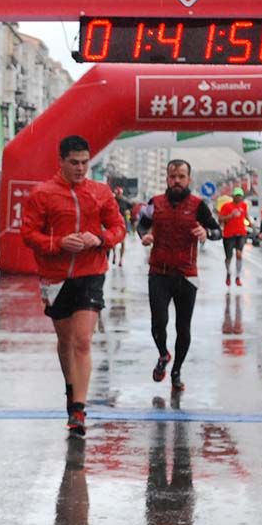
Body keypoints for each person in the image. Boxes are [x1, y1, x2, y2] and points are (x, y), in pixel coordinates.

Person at [20, 135, 126, 436]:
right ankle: (71, 390)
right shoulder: (42, 194)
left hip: (91, 272)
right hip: (56, 277)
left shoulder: (100, 192)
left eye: (85, 163)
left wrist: (101, 239)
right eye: (74, 163)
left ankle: (78, 409)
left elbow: (119, 227)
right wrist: (58, 243)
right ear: (62, 161)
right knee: (65, 341)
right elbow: (28, 234)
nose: (81, 169)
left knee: (82, 340)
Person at [137, 159, 221, 391]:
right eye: (172, 177)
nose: (176, 181)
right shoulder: (155, 203)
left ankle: (176, 372)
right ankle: (164, 355)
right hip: (159, 273)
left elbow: (217, 231)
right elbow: (141, 225)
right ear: (167, 178)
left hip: (186, 274)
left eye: (181, 177)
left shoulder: (197, 205)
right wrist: (145, 236)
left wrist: (206, 232)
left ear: (188, 179)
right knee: (159, 323)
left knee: (183, 328)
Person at [218, 187, 248, 287]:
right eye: (237, 196)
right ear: (233, 196)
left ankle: (238, 277)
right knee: (229, 257)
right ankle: (228, 273)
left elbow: (246, 216)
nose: (239, 198)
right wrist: (230, 216)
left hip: (241, 234)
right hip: (228, 235)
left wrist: (252, 225)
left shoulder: (244, 205)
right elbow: (220, 219)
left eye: (240, 196)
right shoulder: (226, 206)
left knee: (239, 254)